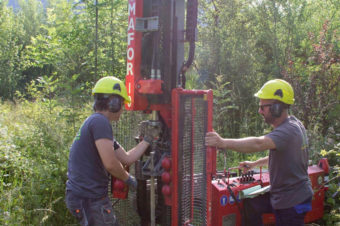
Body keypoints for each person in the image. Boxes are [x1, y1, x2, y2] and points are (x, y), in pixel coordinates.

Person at [205, 79, 313, 226]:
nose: (259, 111)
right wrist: (255, 164)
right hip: (288, 195)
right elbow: (283, 156)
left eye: (263, 107)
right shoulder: (294, 123)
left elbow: (259, 143)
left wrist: (222, 142)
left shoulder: (288, 131)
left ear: (277, 108)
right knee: (252, 204)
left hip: (292, 202)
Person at [65, 76, 158, 225]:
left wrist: (148, 139)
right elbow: (110, 164)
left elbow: (127, 158)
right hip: (89, 198)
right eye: (121, 104)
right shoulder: (100, 123)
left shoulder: (96, 124)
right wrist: (129, 179)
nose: (122, 109)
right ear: (113, 103)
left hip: (86, 197)